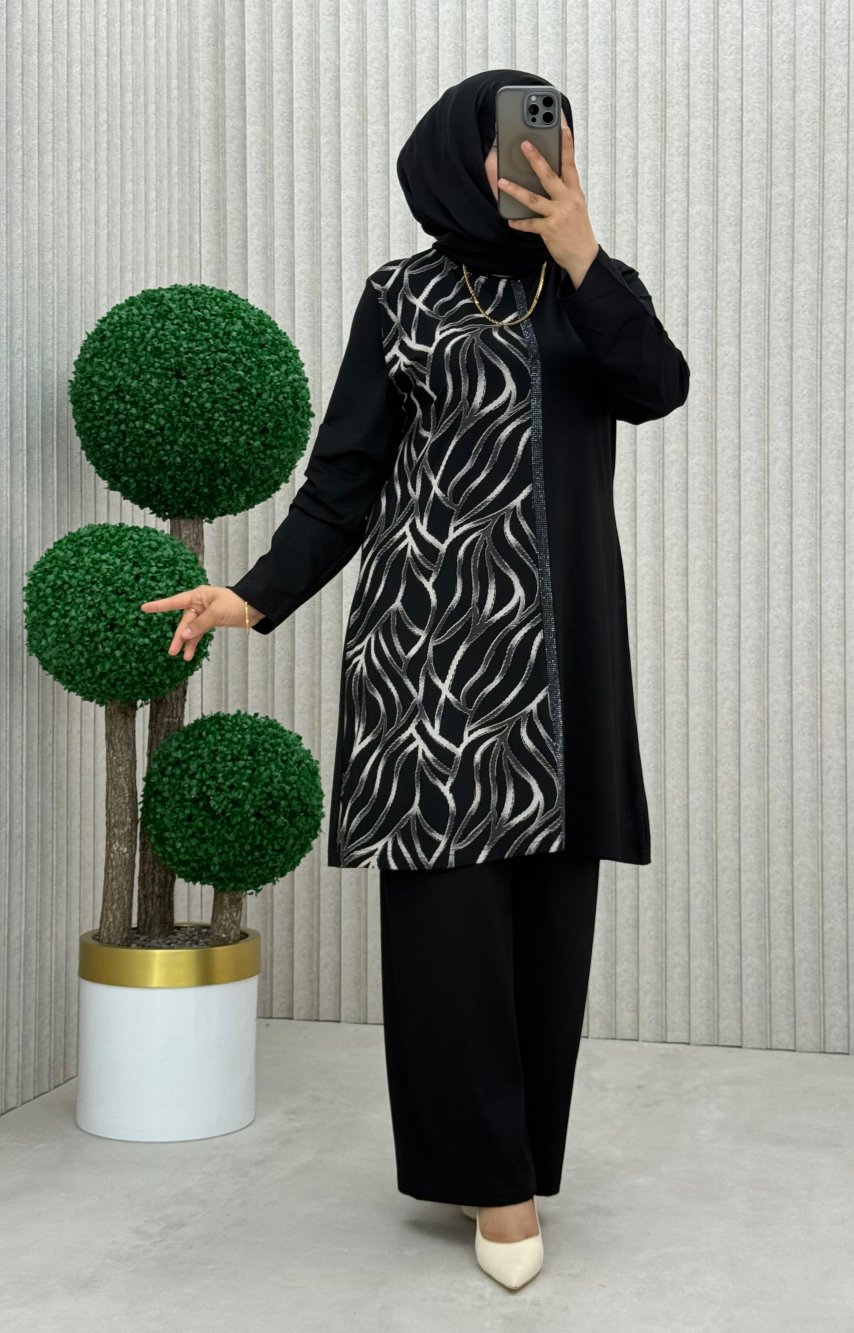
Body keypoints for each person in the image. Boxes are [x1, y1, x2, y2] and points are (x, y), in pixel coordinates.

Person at [141, 68, 689, 1290]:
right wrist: (254, 592)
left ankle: (514, 1157)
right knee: (448, 928)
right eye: (513, 140)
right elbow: (343, 479)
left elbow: (656, 389)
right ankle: (493, 1184)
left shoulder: (594, 290)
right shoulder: (400, 297)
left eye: (553, 138)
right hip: (428, 656)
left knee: (550, 921)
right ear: (458, 156)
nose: (533, 159)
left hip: (558, 661)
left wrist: (583, 251)